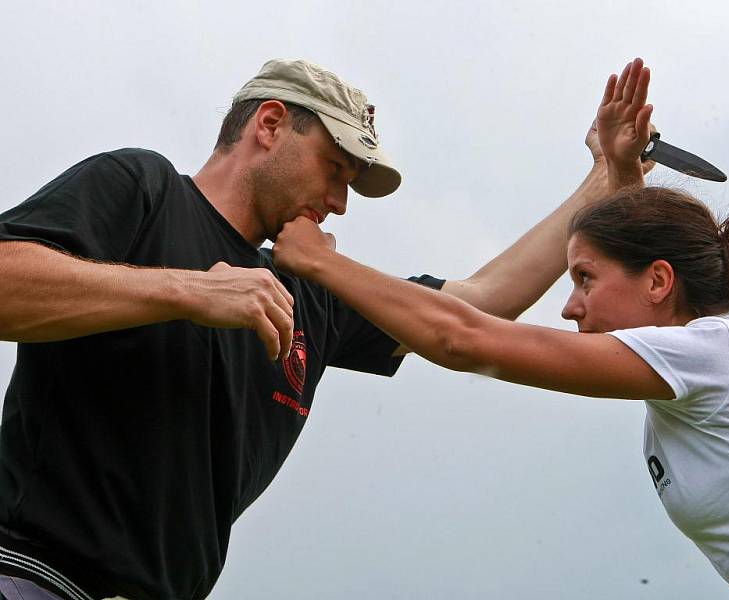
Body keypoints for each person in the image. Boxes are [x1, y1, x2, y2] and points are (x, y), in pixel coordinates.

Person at [0, 58, 649, 600]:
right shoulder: (140, 189)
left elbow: (480, 305)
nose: (340, 202)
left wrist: (603, 177)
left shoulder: (312, 294)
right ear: (271, 124)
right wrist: (189, 289)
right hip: (35, 576)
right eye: (335, 169)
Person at [273, 65, 729, 598]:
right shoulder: (717, 362)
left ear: (660, 281)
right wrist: (617, 170)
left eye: (585, 280)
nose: (570, 309)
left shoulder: (710, 353)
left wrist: (319, 262)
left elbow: (463, 338)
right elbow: (623, 249)